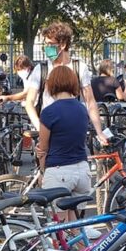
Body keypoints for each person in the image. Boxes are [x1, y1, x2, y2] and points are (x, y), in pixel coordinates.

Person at [39, 21, 108, 147]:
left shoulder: (79, 68)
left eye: (51, 44)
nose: (47, 48)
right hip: (48, 127)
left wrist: (99, 132)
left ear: (63, 45)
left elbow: (90, 101)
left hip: (72, 126)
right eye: (46, 44)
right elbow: (30, 100)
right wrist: (39, 127)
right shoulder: (42, 68)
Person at [38, 66, 91, 220]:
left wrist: (42, 171)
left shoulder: (49, 112)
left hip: (59, 172)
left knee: (59, 228)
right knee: (75, 227)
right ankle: (83, 246)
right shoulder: (82, 109)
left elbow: (43, 148)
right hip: (82, 170)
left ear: (52, 84)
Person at [0, 55, 42, 130]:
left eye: (20, 69)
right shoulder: (26, 77)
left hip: (39, 107)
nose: (19, 72)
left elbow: (25, 93)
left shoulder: (34, 75)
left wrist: (7, 98)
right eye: (18, 70)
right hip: (34, 106)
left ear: (28, 67)